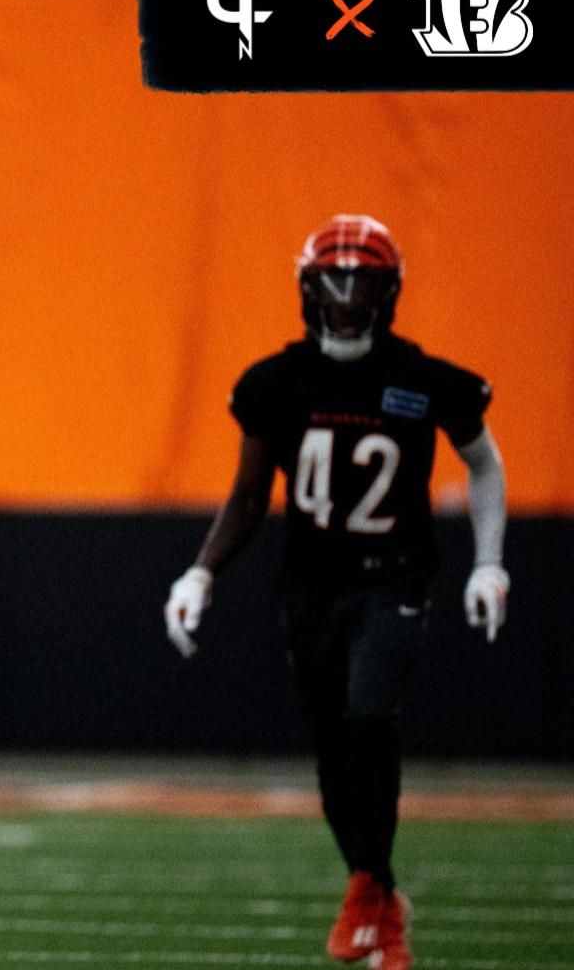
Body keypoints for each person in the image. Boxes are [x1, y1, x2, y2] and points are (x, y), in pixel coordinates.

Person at [162, 215, 509, 970]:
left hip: (394, 580)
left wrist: (490, 562)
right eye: (335, 284)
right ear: (308, 290)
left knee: (367, 718)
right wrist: (201, 572)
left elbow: (484, 464)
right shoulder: (276, 382)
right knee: (330, 748)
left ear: (389, 294)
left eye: (362, 286)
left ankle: (366, 898)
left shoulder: (422, 379)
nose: (348, 300)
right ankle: (380, 893)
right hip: (312, 587)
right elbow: (251, 496)